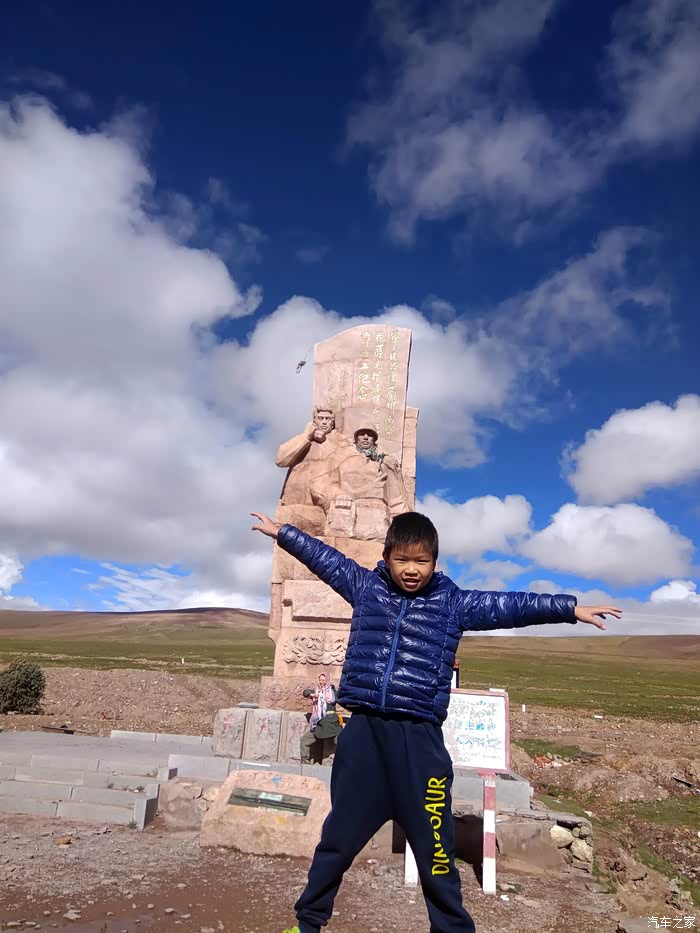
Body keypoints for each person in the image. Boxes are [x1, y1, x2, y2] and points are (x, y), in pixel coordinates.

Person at [251, 510, 621, 933]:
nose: (411, 570)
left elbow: (509, 605)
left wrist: (570, 608)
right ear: (387, 557)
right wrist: (284, 534)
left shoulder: (452, 603)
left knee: (436, 854)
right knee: (337, 841)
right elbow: (328, 560)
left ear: (435, 561)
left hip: (420, 746)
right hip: (364, 738)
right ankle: (307, 924)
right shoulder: (367, 588)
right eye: (402, 559)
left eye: (422, 561)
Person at [300, 672, 342, 763]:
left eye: (323, 680)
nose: (321, 682)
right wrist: (312, 695)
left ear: (327, 680)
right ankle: (305, 760)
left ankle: (343, 760)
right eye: (320, 680)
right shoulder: (317, 692)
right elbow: (305, 692)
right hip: (319, 723)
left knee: (341, 740)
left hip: (331, 723)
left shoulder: (333, 692)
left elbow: (342, 699)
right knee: (304, 740)